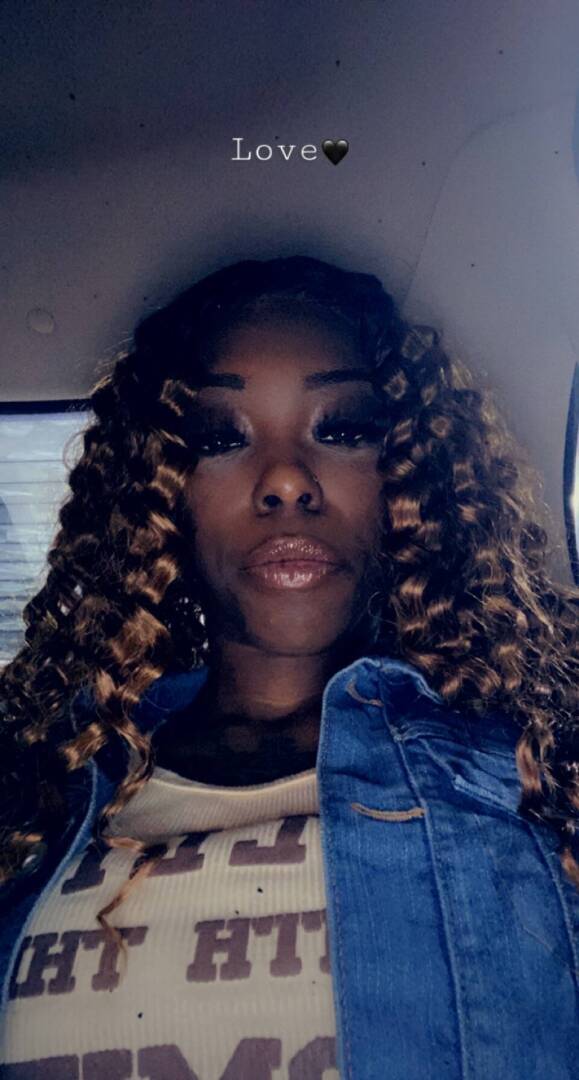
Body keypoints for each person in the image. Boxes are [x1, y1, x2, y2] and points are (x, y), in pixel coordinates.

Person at [0, 254, 578, 1078]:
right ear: (161, 495)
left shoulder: (544, 767)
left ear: (410, 477)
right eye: (218, 438)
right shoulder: (35, 786)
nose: (284, 482)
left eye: (342, 430)